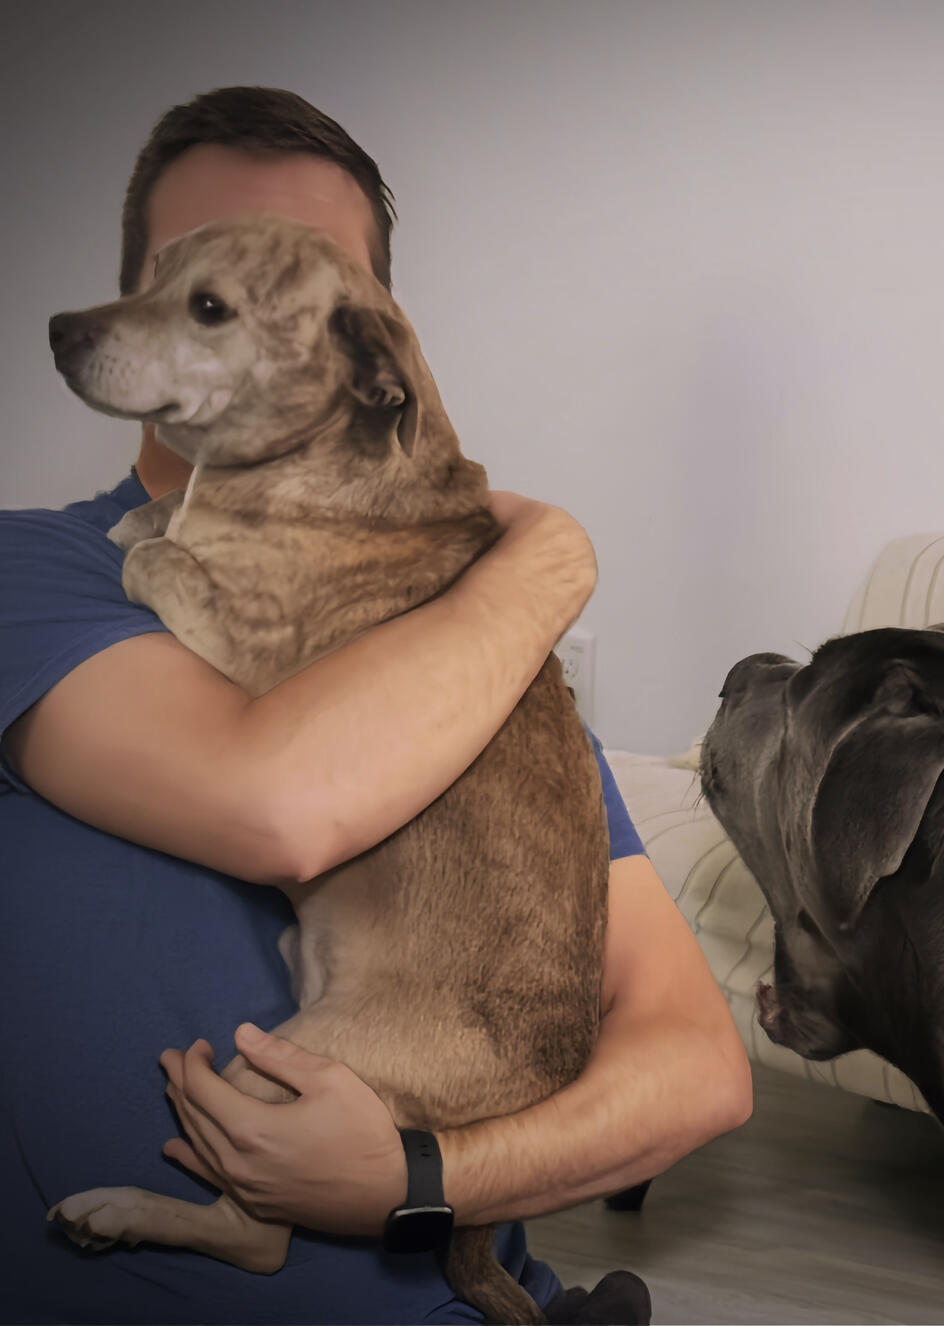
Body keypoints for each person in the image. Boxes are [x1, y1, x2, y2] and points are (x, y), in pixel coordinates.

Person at [0, 86, 752, 1324]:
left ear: (367, 355)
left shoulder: (478, 638)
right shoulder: (29, 568)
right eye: (185, 276)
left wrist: (417, 1182)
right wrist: (550, 557)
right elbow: (282, 806)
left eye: (265, 283)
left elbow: (700, 1071)